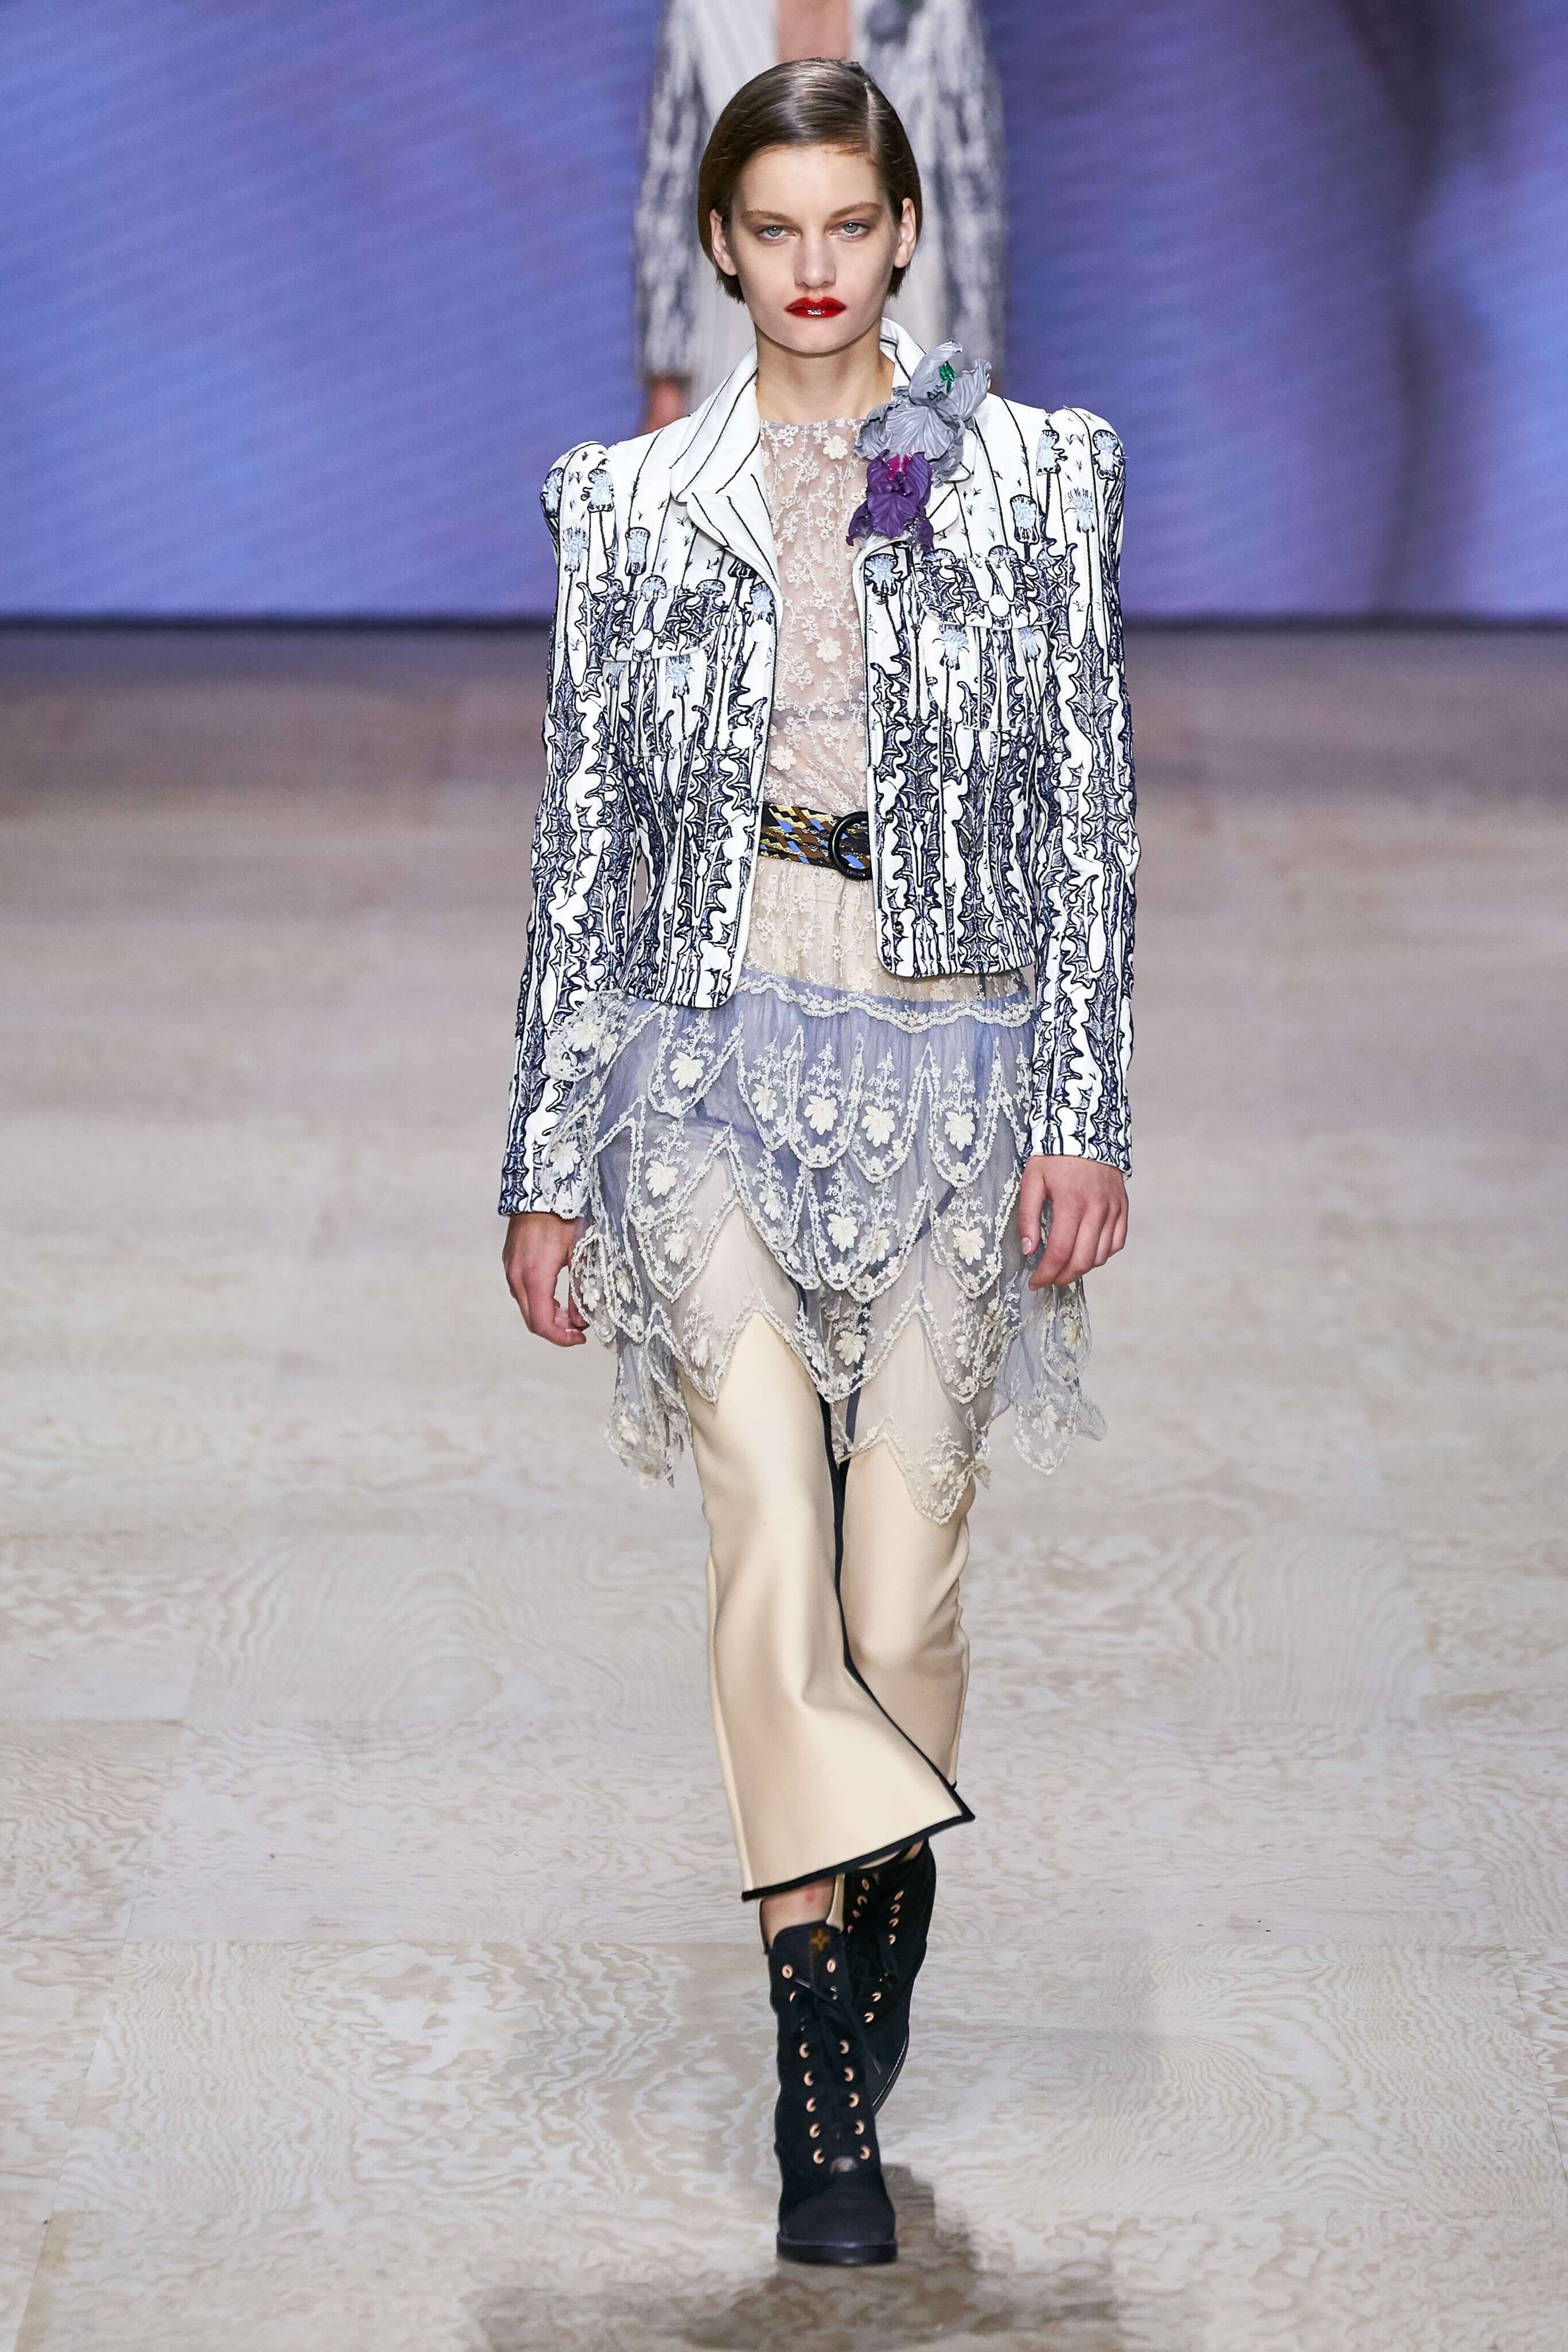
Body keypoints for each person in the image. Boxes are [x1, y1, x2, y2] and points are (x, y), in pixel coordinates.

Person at [502, 59, 1136, 2268]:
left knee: (901, 1586)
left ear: (903, 232)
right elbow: (582, 836)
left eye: (846, 225)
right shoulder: (627, 502)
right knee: (772, 1529)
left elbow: (1086, 810)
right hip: (703, 1046)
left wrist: (1085, 1107)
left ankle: (886, 1875)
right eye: (769, 229)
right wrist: (544, 1158)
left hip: (957, 1048)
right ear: (715, 244)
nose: (810, 266)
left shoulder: (1036, 476)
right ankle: (813, 2064)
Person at [635, 0, 1005, 429]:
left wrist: (979, 380)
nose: (816, 270)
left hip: (908, 307)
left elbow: (971, 195)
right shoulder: (703, 10)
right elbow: (669, 193)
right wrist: (666, 382)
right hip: (740, 319)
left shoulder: (936, 8)